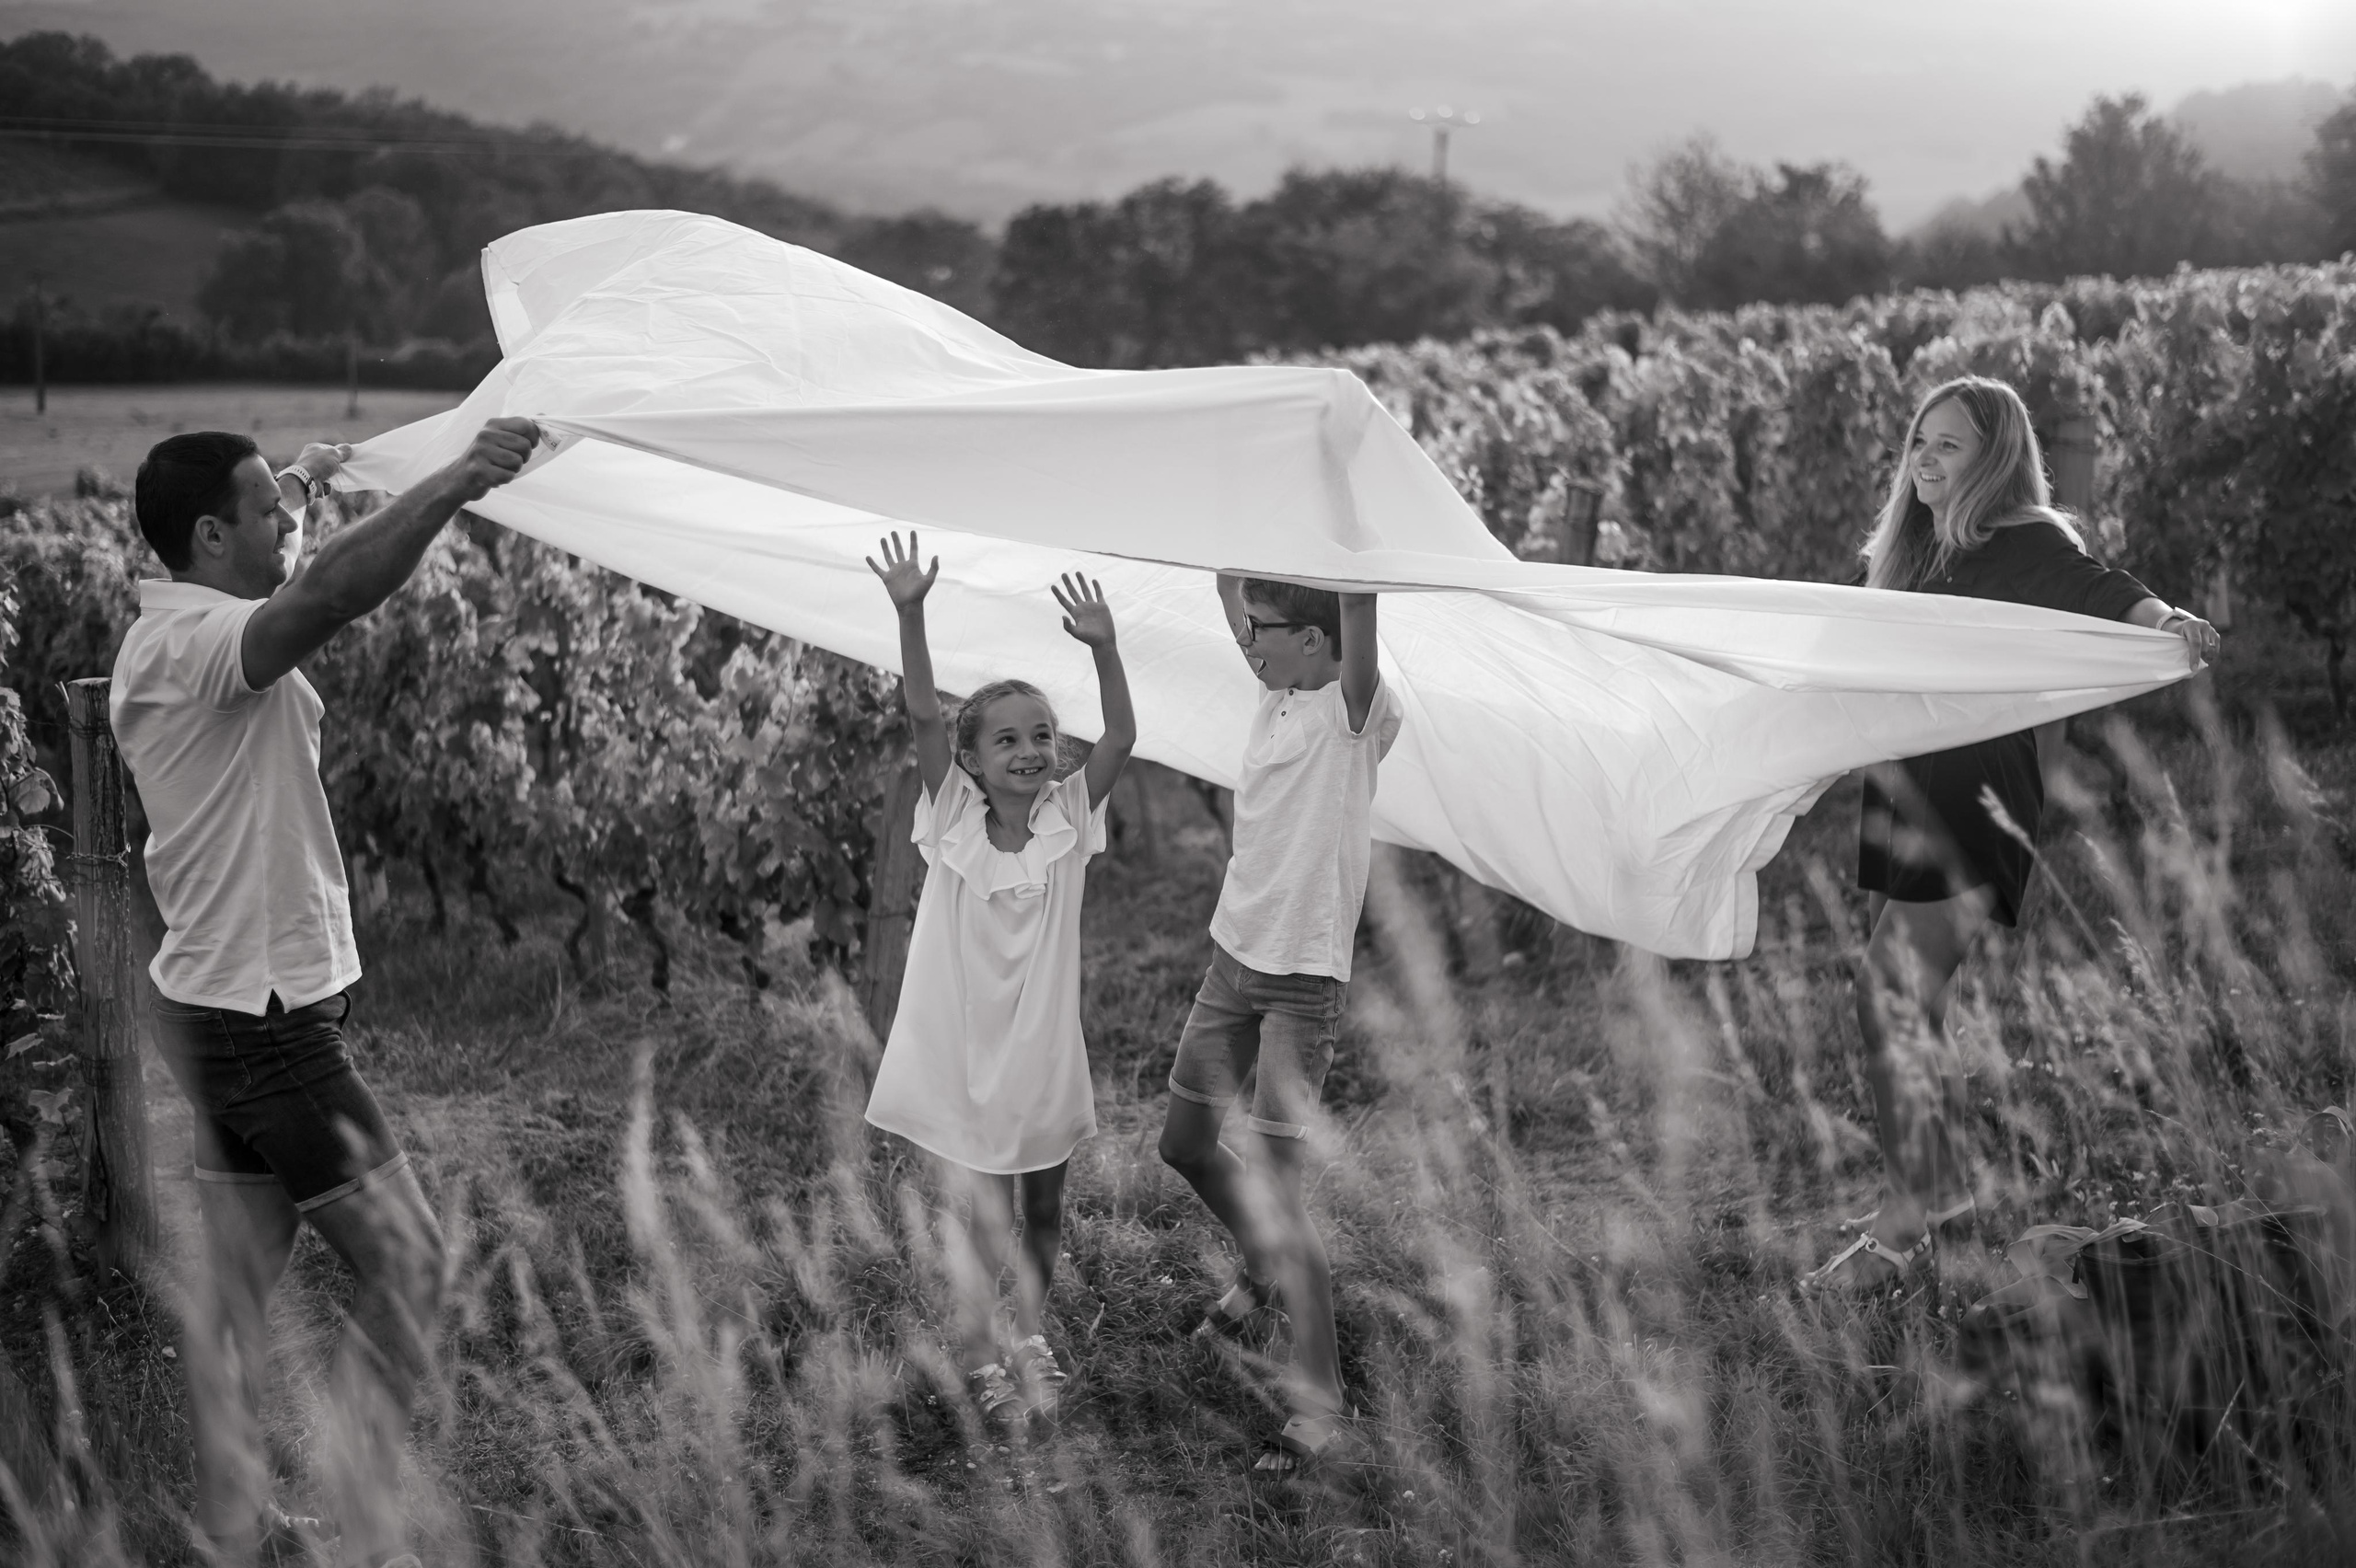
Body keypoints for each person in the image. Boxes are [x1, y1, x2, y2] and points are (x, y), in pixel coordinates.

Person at [114, 419, 539, 1566]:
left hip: (214, 1010)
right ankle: (364, 1536)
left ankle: (232, 1533)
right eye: (266, 512)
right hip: (264, 1023)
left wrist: (300, 477)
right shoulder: (199, 642)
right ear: (211, 536)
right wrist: (458, 481)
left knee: (237, 1295)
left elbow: (285, 552)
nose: (288, 526)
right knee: (411, 1263)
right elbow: (330, 594)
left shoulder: (174, 627)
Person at [1807, 376, 2219, 1290]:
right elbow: (1848, 640)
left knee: (1888, 998)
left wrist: (2167, 621)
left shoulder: (2024, 537)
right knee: (1913, 1005)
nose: (1925, 459)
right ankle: (1936, 1189)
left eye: (1948, 445)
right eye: (1919, 441)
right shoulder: (1914, 547)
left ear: (1993, 458)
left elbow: (2103, 590)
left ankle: (1905, 1226)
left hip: (1973, 793)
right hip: (1907, 785)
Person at [860, 531, 1136, 1424]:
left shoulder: (1069, 819)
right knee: (986, 1217)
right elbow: (923, 715)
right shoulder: (952, 819)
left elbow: (1122, 734)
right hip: (973, 1052)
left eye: (1042, 735)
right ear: (973, 762)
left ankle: (1032, 1333)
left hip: (1044, 1049)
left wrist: (1104, 649)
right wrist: (911, 614)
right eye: (1007, 738)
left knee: (1045, 1209)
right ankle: (981, 1353)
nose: (1030, 749)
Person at [1156, 573, 1400, 1471]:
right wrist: (1235, 576)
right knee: (1183, 1144)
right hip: (1232, 964)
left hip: (1301, 987)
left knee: (1278, 1189)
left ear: (1313, 639)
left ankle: (1321, 1401)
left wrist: (1343, 560)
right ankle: (1261, 1267)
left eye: (1260, 630)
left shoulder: (1350, 716)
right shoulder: (1275, 696)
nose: (1245, 641)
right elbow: (1236, 591)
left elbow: (1358, 607)